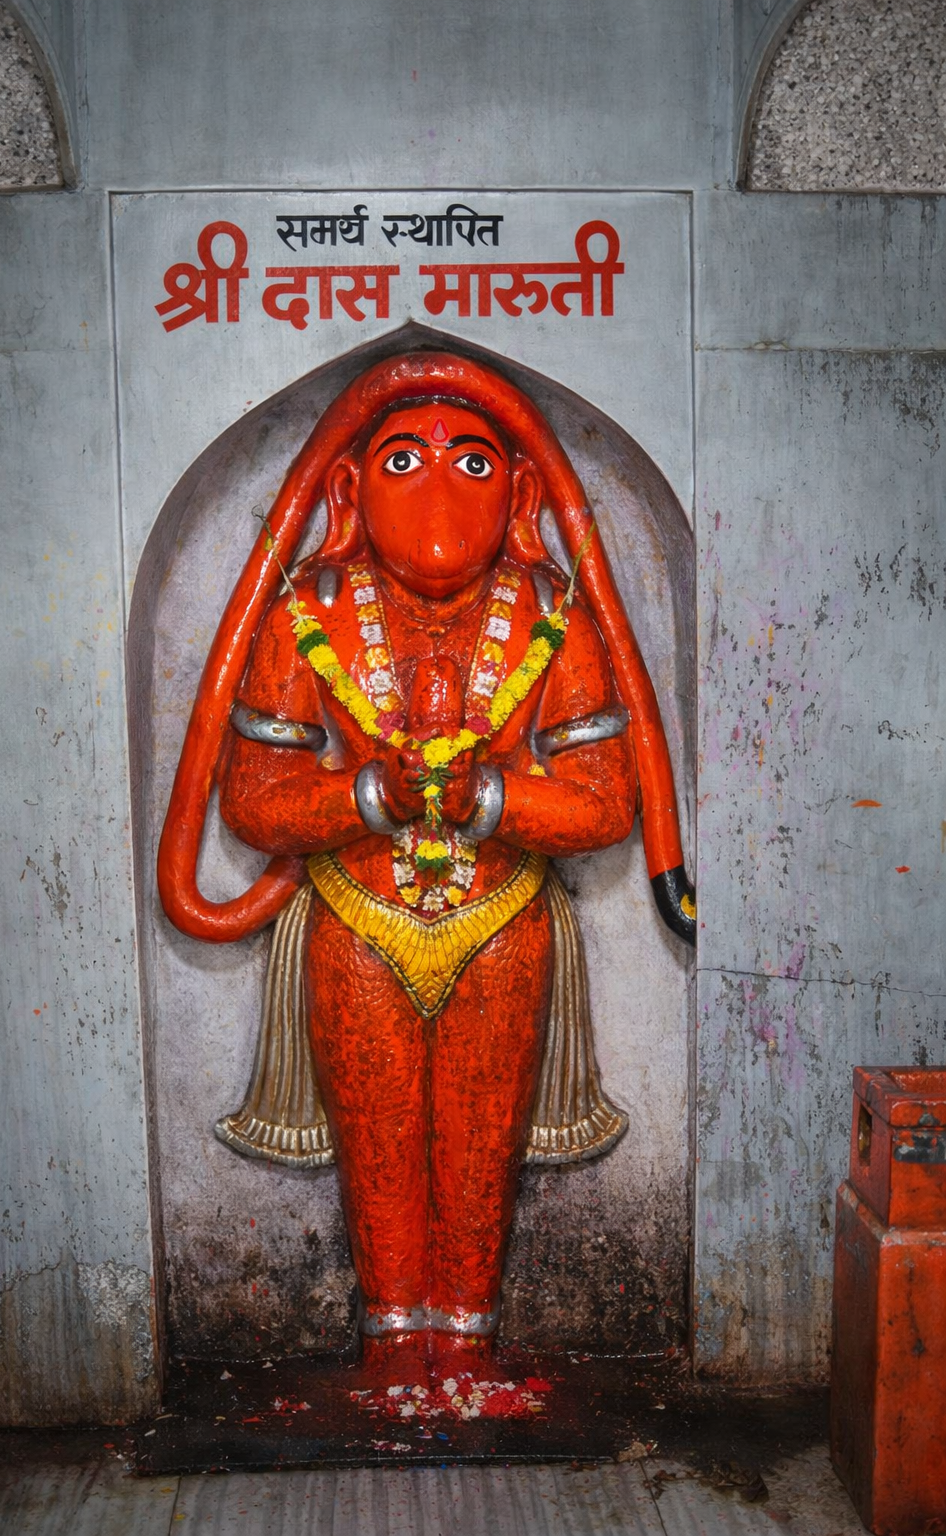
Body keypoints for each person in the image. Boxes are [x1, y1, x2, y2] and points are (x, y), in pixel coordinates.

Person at [158, 352, 694, 1373]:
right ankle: (394, 1340)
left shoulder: (548, 609)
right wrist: (370, 796)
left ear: (523, 493)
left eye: (474, 463)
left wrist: (491, 797)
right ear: (348, 489)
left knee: (483, 1142)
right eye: (402, 460)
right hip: (357, 914)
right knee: (379, 1139)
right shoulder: (309, 608)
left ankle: (469, 1339)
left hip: (502, 916)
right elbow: (253, 799)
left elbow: (607, 801)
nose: (439, 490)